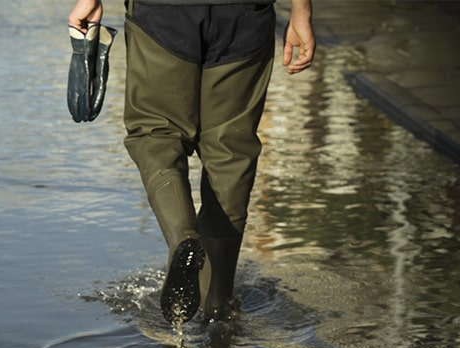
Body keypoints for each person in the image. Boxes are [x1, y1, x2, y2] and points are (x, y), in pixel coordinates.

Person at [69, 0, 315, 324]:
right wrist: (301, 11)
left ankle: (183, 237)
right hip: (244, 14)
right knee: (231, 152)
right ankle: (218, 301)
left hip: (163, 11)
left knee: (155, 132)